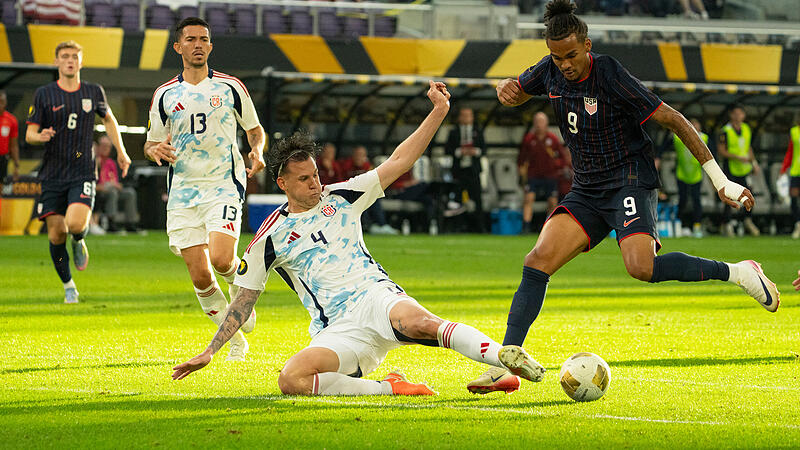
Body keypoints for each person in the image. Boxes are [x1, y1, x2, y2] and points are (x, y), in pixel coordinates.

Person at [468, 0, 780, 394]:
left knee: (640, 267)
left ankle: (739, 272)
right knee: (537, 260)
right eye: (556, 56)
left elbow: (676, 120)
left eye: (571, 55)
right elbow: (512, 90)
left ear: (587, 45)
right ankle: (505, 366)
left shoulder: (611, 74)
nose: (564, 64)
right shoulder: (549, 72)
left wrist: (721, 181)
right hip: (587, 188)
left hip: (629, 179)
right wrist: (504, 89)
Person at [172, 81, 546, 396]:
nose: (316, 183)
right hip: (337, 327)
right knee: (292, 380)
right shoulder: (269, 238)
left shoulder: (343, 196)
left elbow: (399, 161)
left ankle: (503, 359)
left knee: (420, 323)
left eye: (316, 174)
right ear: (283, 184)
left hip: (376, 297)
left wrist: (438, 112)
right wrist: (210, 351)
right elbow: (244, 301)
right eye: (304, 179)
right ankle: (390, 388)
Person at [144, 17, 266, 361]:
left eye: (204, 39)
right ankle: (234, 338)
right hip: (183, 190)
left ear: (210, 46)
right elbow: (152, 142)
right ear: (178, 47)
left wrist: (256, 150)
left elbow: (255, 130)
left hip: (222, 184)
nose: (198, 44)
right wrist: (155, 150)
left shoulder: (230, 88)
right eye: (191, 39)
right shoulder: (165, 94)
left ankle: (241, 291)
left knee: (223, 258)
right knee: (199, 275)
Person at [26, 40, 130, 304]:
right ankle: (69, 286)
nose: (70, 60)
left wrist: (122, 151)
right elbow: (29, 133)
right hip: (52, 173)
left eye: (74, 56)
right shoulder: (44, 94)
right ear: (56, 62)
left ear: (81, 62)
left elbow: (109, 120)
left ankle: (79, 238)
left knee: (73, 225)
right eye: (65, 56)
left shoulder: (93, 91)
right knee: (55, 233)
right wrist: (41, 136)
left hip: (82, 169)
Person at [517, 112, 571, 232]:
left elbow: (563, 158)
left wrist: (556, 166)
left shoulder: (552, 139)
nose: (539, 125)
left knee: (552, 202)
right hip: (533, 175)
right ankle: (526, 226)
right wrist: (521, 174)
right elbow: (521, 159)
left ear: (546, 123)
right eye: (537, 122)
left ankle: (548, 227)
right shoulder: (529, 139)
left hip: (550, 176)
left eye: (541, 122)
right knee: (528, 199)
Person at [718, 104, 761, 237]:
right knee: (729, 196)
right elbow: (721, 151)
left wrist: (754, 163)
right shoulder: (725, 130)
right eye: (735, 113)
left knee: (748, 194)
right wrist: (736, 157)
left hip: (744, 169)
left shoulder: (747, 129)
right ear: (731, 115)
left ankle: (747, 220)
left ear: (744, 115)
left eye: (740, 113)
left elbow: (748, 148)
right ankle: (727, 224)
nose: (738, 116)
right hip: (730, 168)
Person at [340, 145, 398, 234]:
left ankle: (380, 225)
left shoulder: (367, 166)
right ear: (353, 155)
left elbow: (373, 180)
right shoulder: (346, 165)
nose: (360, 157)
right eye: (358, 154)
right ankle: (368, 226)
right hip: (348, 193)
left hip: (363, 192)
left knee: (373, 197)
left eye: (362, 155)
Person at [445, 107, 486, 232]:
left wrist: (475, 151)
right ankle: (457, 226)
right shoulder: (454, 132)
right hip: (459, 171)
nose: (466, 118)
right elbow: (448, 150)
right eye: (464, 115)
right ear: (459, 118)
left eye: (469, 115)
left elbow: (484, 149)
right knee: (457, 199)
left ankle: (480, 227)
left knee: (477, 198)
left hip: (473, 170)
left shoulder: (478, 131)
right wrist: (459, 152)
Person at [95, 134, 139, 232]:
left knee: (130, 193)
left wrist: (118, 185)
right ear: (98, 146)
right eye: (103, 145)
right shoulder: (94, 161)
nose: (106, 148)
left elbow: (117, 180)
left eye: (108, 146)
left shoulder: (112, 162)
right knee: (112, 192)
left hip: (112, 189)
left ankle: (130, 224)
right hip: (99, 191)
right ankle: (111, 223)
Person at [672, 118, 708, 238]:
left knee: (696, 201)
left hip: (696, 175)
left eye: (696, 124)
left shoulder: (705, 138)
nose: (694, 127)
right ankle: (679, 226)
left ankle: (697, 227)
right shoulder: (678, 137)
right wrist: (658, 158)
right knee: (682, 200)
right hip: (682, 174)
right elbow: (663, 147)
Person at [779, 116, 800, 239]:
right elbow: (790, 152)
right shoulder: (794, 131)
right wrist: (783, 168)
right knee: (794, 199)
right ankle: (798, 223)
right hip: (796, 170)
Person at [0, 90, 19, 183]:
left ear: (5, 102)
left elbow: (13, 145)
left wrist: (16, 165)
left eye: (2, 102)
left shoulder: (11, 120)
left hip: (3, 158)